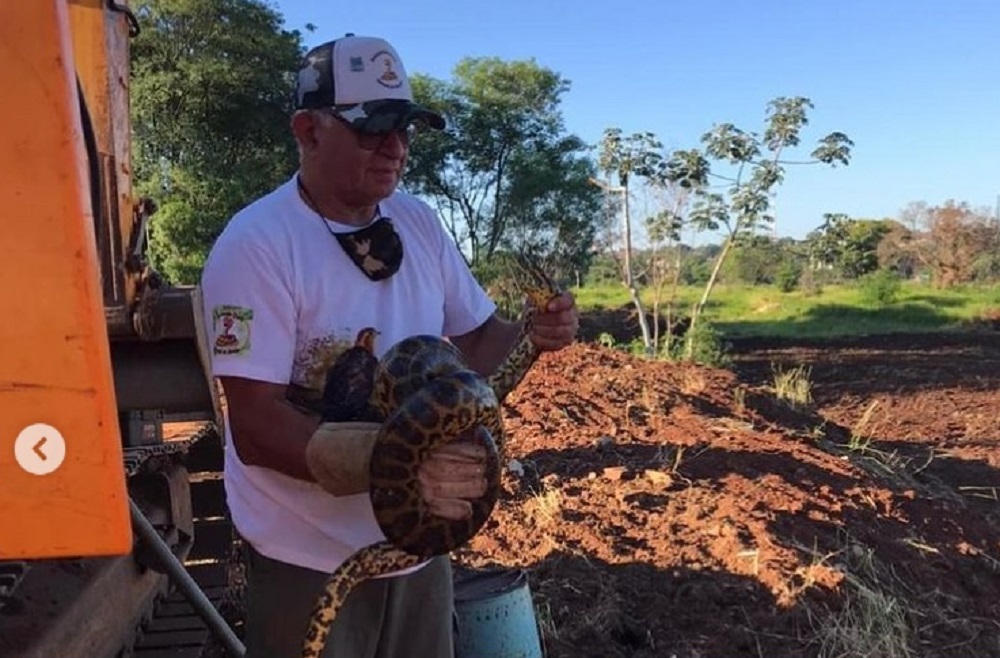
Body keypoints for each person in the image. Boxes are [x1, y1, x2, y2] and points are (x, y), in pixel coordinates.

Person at [199, 33, 579, 658]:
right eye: (372, 129)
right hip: (306, 561)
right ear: (308, 130)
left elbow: (479, 342)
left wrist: (532, 334)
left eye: (404, 129)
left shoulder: (419, 222)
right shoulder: (257, 244)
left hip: (420, 551)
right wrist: (403, 459)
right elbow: (257, 428)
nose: (396, 147)